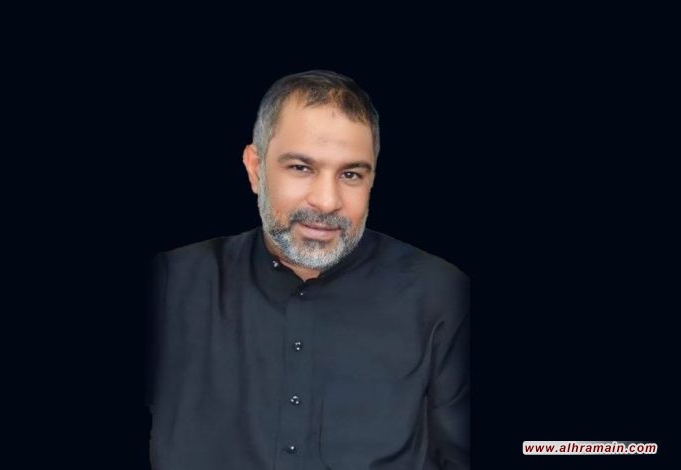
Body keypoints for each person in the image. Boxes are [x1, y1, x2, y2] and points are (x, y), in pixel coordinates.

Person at [146, 70, 470, 470]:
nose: (327, 201)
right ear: (255, 168)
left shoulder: (439, 294)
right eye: (301, 167)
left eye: (350, 174)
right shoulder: (170, 285)